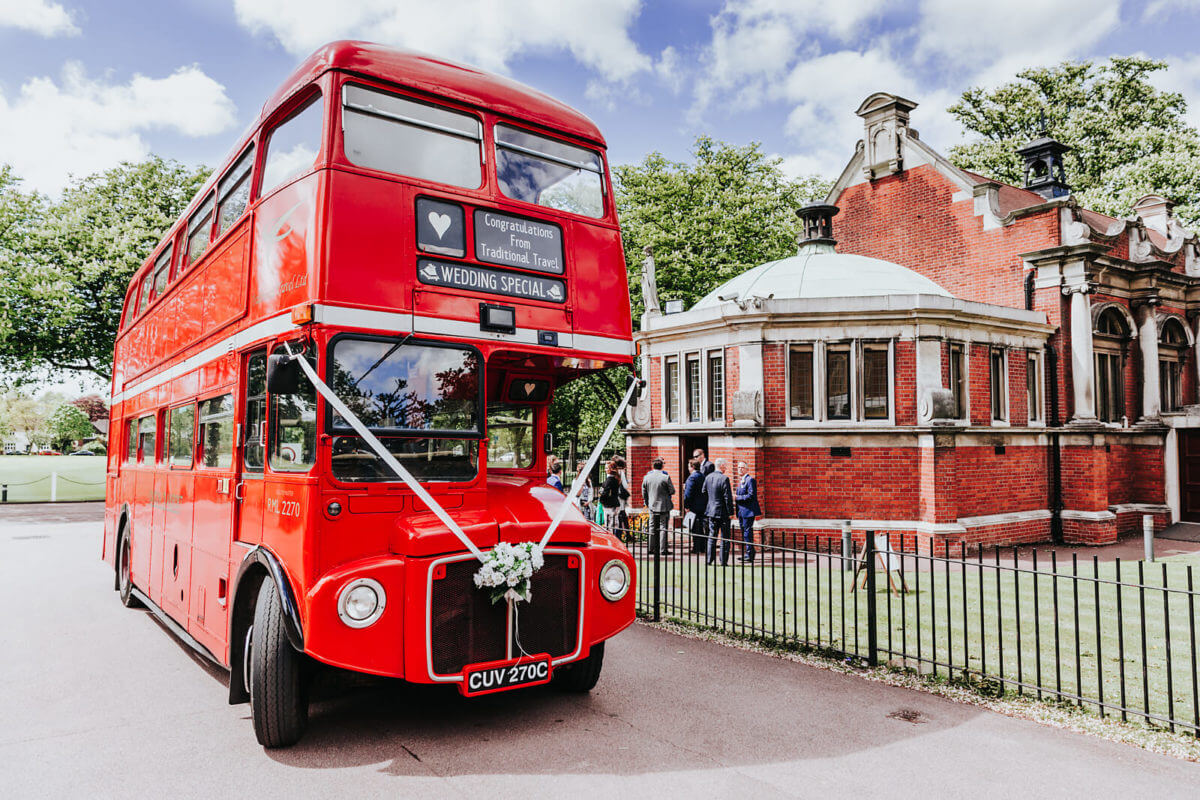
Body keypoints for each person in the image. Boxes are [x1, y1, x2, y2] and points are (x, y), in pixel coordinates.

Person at [702, 459, 735, 566]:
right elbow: (727, 497)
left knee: (712, 536)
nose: (726, 468)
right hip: (723, 512)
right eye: (725, 466)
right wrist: (731, 512)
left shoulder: (708, 477)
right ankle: (723, 561)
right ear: (721, 466)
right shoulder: (724, 479)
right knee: (724, 538)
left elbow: (704, 491)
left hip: (711, 511)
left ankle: (709, 560)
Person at [641, 457, 675, 554]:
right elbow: (672, 491)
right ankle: (662, 549)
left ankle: (650, 548)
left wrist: (647, 502)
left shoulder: (647, 477)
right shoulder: (666, 477)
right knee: (663, 527)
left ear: (653, 466)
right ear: (662, 466)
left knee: (651, 526)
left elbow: (644, 492)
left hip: (652, 505)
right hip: (664, 505)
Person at [735, 461, 761, 563]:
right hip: (741, 512)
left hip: (748, 511)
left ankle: (749, 555)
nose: (740, 469)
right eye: (738, 467)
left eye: (742, 467)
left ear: (746, 469)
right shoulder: (741, 480)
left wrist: (737, 497)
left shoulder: (750, 480)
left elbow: (751, 495)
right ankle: (749, 552)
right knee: (745, 532)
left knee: (747, 533)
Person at [682, 458, 708, 554]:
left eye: (689, 466)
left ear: (692, 467)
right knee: (701, 527)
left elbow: (688, 494)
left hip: (694, 507)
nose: (688, 468)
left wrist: (687, 506)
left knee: (695, 528)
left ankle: (696, 548)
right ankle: (702, 547)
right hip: (703, 506)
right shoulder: (702, 476)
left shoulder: (692, 478)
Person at [599, 460, 624, 538]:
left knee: (609, 526)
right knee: (614, 524)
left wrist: (601, 500)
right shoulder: (616, 479)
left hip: (609, 505)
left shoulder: (609, 481)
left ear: (611, 469)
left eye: (607, 468)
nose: (605, 469)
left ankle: (611, 541)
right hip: (615, 504)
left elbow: (604, 493)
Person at [613, 454, 631, 532]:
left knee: (617, 514)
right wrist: (627, 481)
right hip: (620, 496)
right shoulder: (621, 472)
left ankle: (620, 532)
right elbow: (625, 486)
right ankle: (626, 532)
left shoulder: (612, 472)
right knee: (622, 513)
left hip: (614, 495)